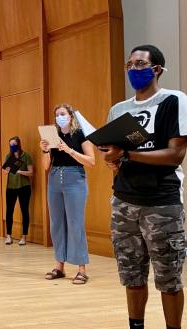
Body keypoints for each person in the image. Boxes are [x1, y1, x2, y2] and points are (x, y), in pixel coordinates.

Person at [102, 44, 187, 329]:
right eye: (129, 65)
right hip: (124, 202)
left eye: (139, 64)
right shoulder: (119, 110)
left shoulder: (173, 100)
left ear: (156, 69)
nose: (133, 70)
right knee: (132, 276)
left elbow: (175, 154)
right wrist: (113, 160)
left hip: (162, 203)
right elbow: (114, 153)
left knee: (169, 279)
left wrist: (127, 155)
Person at [40, 104, 95, 284]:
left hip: (75, 178)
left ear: (71, 116)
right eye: (57, 115)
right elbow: (46, 166)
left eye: (62, 114)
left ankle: (81, 269)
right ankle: (59, 266)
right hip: (55, 178)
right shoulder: (52, 135)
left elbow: (91, 161)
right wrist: (45, 150)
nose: (59, 117)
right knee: (56, 223)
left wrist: (69, 150)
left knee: (75, 223)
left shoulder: (80, 134)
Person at [2, 136, 33, 245]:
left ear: (19, 144)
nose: (12, 146)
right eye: (11, 145)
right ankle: (9, 236)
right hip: (11, 187)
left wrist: (20, 171)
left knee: (25, 211)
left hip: (24, 187)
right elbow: (5, 172)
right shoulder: (8, 156)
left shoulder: (26, 156)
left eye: (14, 144)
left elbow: (31, 172)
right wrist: (6, 170)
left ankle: (24, 237)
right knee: (9, 211)